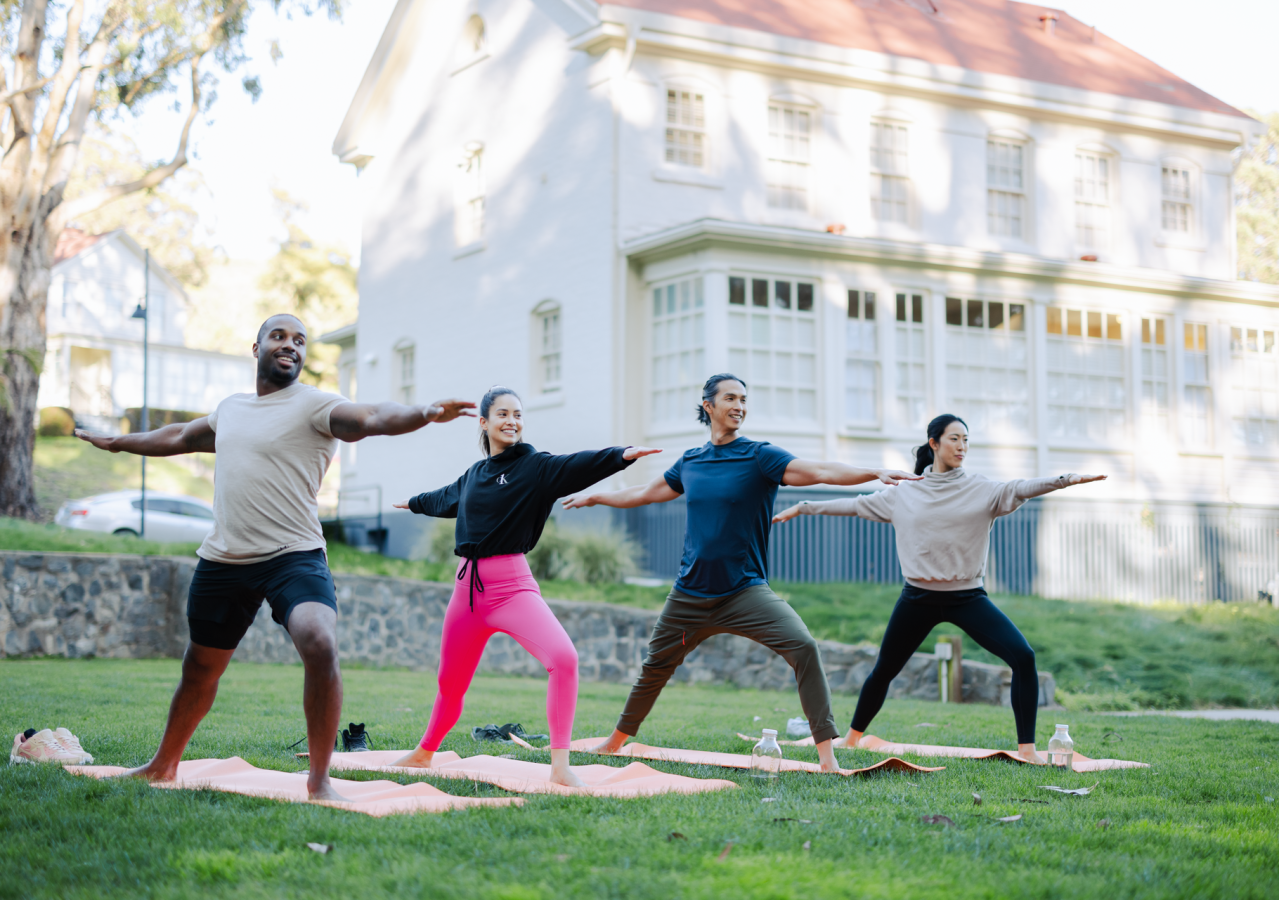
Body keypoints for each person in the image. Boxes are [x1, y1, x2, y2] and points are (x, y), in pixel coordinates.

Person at [74, 314, 474, 800]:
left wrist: (424, 412)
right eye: (279, 336)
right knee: (200, 668)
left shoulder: (316, 404)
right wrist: (118, 443)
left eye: (299, 340)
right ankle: (163, 765)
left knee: (319, 641)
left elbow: (371, 418)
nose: (291, 345)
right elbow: (180, 437)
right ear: (257, 346)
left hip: (293, 555)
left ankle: (320, 781)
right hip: (225, 559)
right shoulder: (232, 409)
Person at [561, 374, 919, 772]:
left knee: (803, 648)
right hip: (690, 595)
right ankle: (615, 743)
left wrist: (873, 472)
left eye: (744, 399)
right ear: (708, 406)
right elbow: (645, 493)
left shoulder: (759, 456)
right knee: (654, 668)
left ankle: (827, 759)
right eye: (730, 398)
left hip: (744, 591)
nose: (739, 406)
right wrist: (597, 496)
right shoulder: (691, 462)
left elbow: (818, 470)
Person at [772, 413, 1106, 763]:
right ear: (934, 443)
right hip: (917, 599)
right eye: (954, 439)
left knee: (1023, 657)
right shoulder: (904, 493)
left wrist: (1066, 480)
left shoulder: (982, 488)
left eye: (965, 440)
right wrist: (804, 506)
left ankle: (1027, 750)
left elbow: (1020, 487)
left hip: (967, 598)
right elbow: (854, 505)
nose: (962, 447)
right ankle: (852, 739)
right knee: (884, 669)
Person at [389, 387, 661, 787]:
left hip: (511, 588)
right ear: (484, 422)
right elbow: (444, 498)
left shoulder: (535, 467)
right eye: (502, 414)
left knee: (564, 659)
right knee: (450, 684)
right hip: (466, 592)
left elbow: (575, 466)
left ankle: (560, 767)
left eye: (517, 414)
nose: (512, 421)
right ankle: (424, 752)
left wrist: (619, 456)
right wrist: (413, 502)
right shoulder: (474, 475)